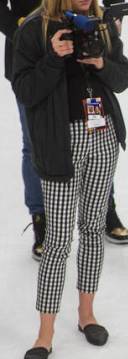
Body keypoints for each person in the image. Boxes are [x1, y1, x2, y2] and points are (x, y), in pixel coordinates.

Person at [13, 0, 128, 359]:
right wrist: (53, 57)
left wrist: (101, 64)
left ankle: (86, 314)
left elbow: (123, 78)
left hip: (103, 135)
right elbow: (26, 91)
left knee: (93, 228)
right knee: (59, 241)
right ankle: (44, 335)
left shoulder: (101, 24)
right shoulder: (33, 29)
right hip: (60, 143)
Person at [1, 0, 44, 259]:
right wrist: (21, 32)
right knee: (33, 143)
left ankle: (104, 210)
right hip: (25, 63)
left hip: (71, 55)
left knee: (91, 135)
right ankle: (40, 219)